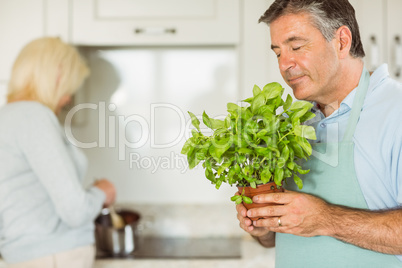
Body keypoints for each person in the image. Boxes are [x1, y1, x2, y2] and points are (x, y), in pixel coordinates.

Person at [236, 0, 402, 267]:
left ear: (342, 41)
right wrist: (265, 229)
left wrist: (326, 219)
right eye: (278, 52)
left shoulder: (395, 111)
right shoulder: (290, 125)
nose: (284, 64)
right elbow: (284, 235)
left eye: (296, 47)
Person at [0, 37, 116, 268]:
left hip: (21, 255)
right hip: (53, 256)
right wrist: (103, 192)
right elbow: (75, 210)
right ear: (58, 77)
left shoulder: (6, 117)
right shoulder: (34, 117)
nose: (68, 98)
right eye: (69, 88)